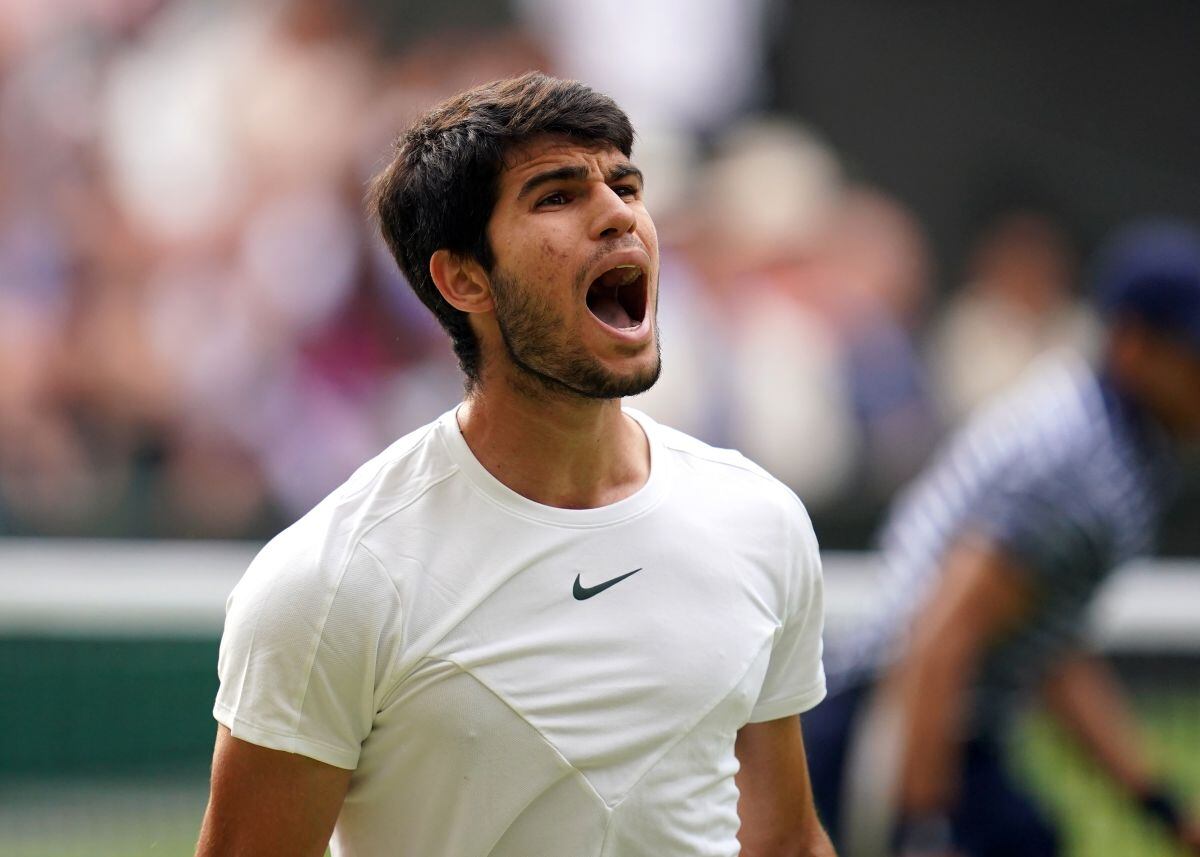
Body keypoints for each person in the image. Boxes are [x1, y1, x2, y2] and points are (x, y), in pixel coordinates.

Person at [195, 72, 835, 857]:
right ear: (464, 277)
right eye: (556, 196)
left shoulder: (760, 520)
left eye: (626, 186)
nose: (618, 214)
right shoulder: (330, 581)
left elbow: (787, 841)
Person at [803, 220, 1200, 857]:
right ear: (1134, 346)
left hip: (928, 727)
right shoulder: (1078, 464)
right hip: (882, 724)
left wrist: (1163, 809)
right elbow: (940, 639)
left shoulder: (1117, 446)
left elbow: (1048, 648)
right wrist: (924, 832)